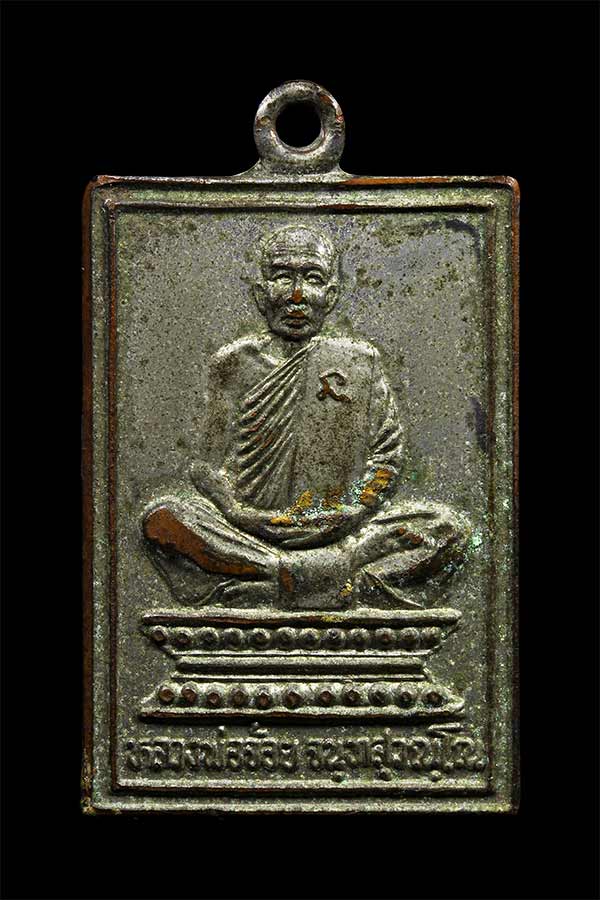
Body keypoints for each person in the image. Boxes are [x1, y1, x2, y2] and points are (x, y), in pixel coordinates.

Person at [142, 225, 471, 609]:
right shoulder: (233, 364)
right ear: (261, 294)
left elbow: (387, 456)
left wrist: (355, 512)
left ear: (330, 295)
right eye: (283, 277)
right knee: (164, 520)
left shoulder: (360, 362)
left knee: (446, 530)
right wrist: (239, 514)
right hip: (250, 531)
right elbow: (204, 465)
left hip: (345, 530)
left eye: (312, 279)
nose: (297, 296)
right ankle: (333, 579)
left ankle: (276, 581)